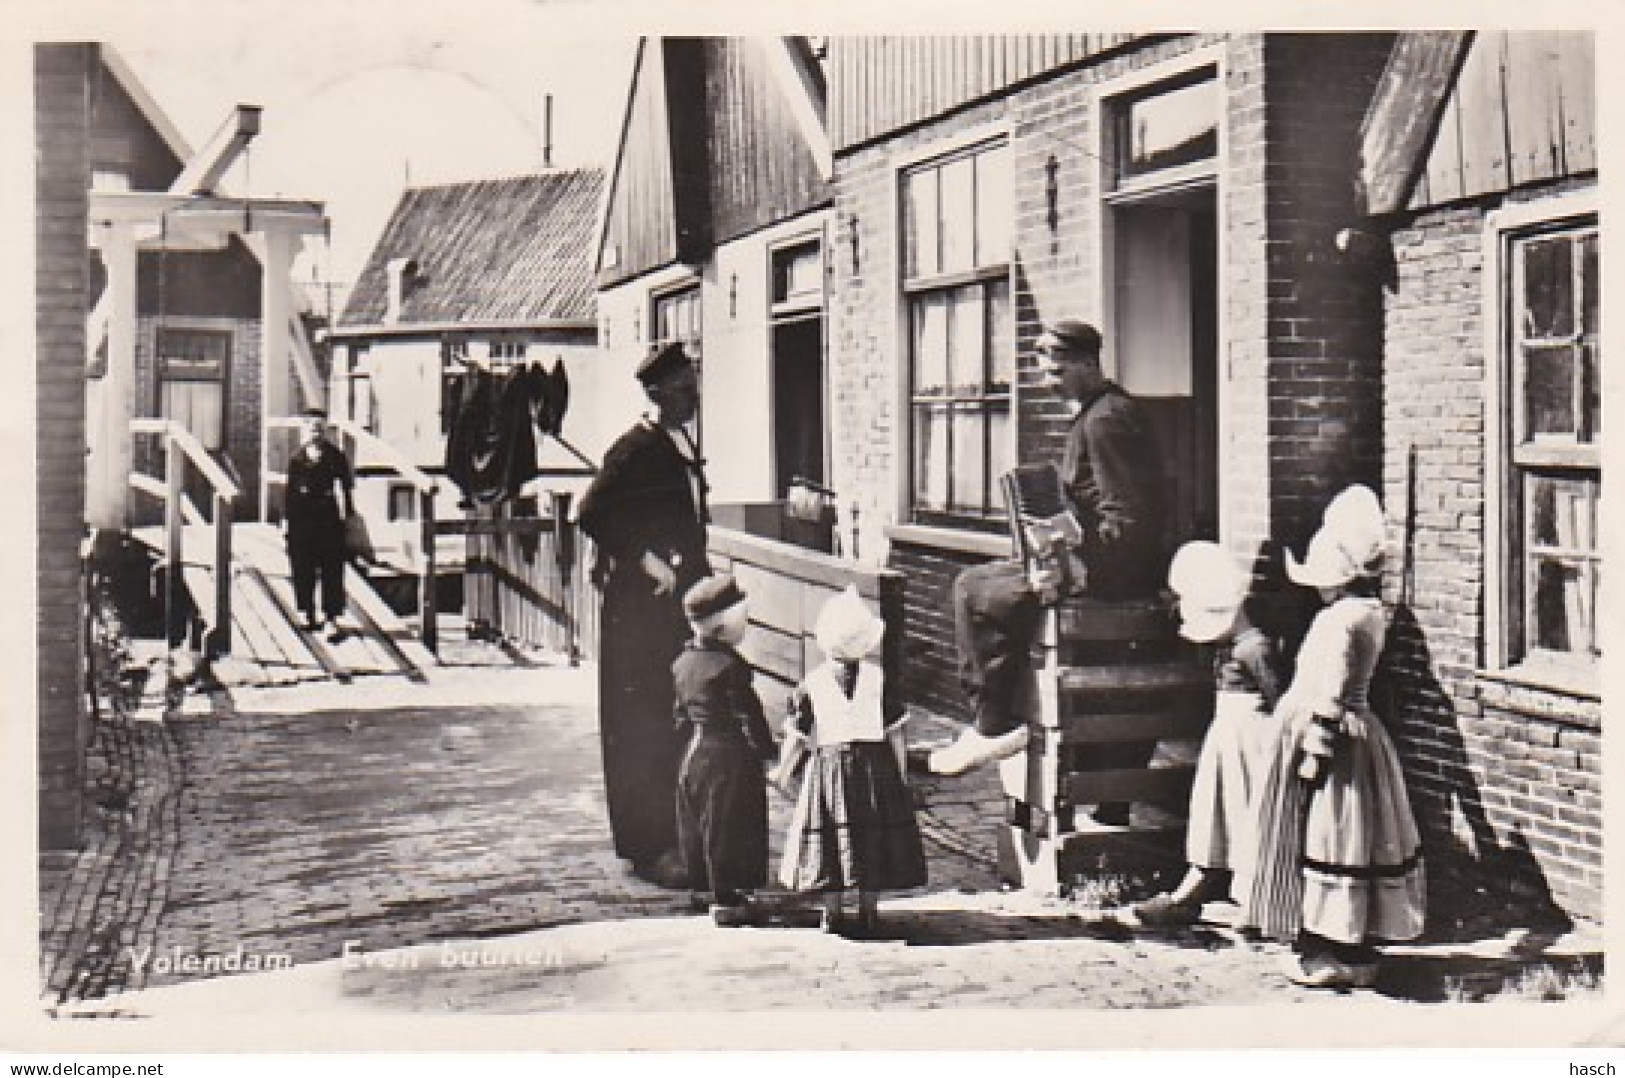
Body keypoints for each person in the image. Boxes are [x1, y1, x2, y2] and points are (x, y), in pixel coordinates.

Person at [929, 319, 1168, 822]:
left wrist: (1068, 549)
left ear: (1087, 363)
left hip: (1104, 577)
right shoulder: (1102, 413)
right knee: (990, 583)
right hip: (1096, 567)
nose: (1048, 380)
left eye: (1057, 370)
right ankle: (1005, 723)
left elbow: (1128, 523)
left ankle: (993, 722)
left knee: (974, 587)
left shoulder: (1105, 422)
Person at [1241, 484, 1426, 989]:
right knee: (1348, 837)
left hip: (1334, 739)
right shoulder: (1371, 615)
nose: (1318, 588)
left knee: (1330, 833)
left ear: (1340, 579)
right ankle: (1341, 938)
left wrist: (1314, 752)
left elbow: (1336, 689)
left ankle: (1336, 946)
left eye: (1324, 579)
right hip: (1357, 734)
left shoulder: (1341, 622)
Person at [577, 342, 711, 888]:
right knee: (641, 724)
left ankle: (674, 832)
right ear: (657, 395)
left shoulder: (678, 445)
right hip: (638, 613)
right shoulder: (634, 449)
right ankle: (648, 844)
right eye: (683, 392)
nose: (693, 400)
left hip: (671, 610)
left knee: (671, 718)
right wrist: (647, 560)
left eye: (695, 389)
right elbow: (592, 513)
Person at [1131, 541, 1286, 927]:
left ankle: (1253, 896)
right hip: (1227, 743)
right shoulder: (1231, 647)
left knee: (1249, 814)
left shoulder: (1255, 649)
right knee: (1217, 813)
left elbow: (1280, 700)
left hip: (1253, 743)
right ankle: (1197, 884)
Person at [771, 585, 927, 938]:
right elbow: (896, 734)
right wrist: (899, 775)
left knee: (831, 837)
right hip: (875, 767)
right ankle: (869, 909)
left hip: (829, 767)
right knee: (871, 834)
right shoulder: (879, 680)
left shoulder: (811, 684)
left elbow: (796, 736)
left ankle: (833, 911)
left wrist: (783, 771)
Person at [671, 574, 777, 927]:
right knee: (729, 823)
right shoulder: (731, 667)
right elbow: (749, 715)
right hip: (728, 755)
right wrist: (766, 752)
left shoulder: (683, 663)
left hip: (694, 751)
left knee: (698, 819)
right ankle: (729, 897)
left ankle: (702, 886)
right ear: (724, 627)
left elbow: (678, 715)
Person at [283, 409, 355, 643]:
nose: (316, 431)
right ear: (306, 429)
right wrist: (286, 521)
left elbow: (345, 489)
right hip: (302, 517)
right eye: (312, 427)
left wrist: (348, 518)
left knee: (331, 567)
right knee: (302, 564)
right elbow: (290, 493)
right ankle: (306, 610)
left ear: (326, 430)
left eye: (320, 427)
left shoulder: (336, 457)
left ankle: (331, 616)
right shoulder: (297, 458)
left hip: (328, 517)